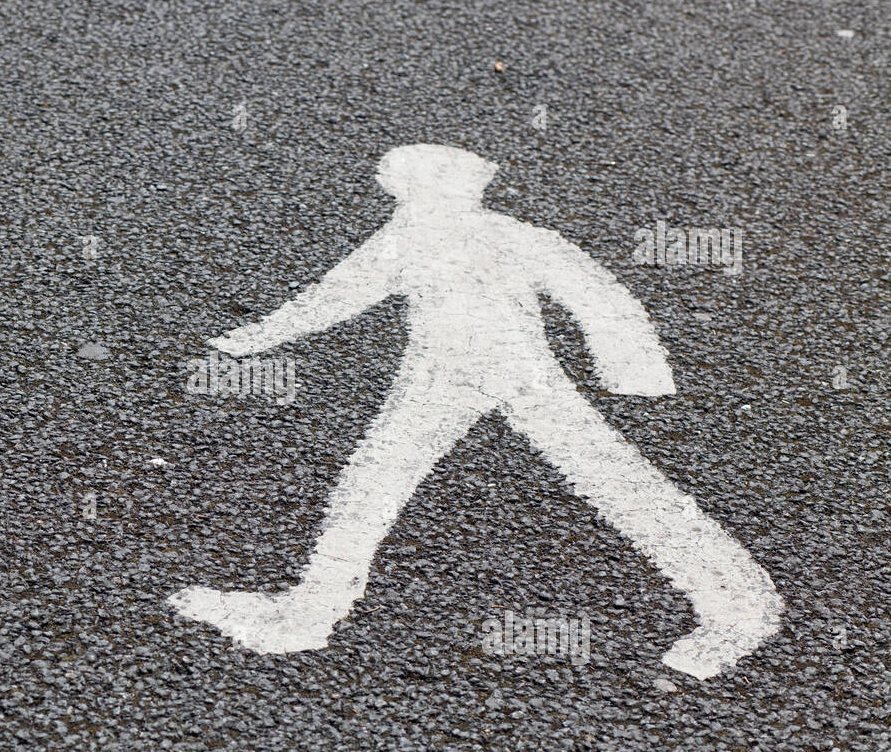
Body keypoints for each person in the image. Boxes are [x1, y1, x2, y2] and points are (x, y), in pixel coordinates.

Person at [170, 145, 781, 679]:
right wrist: (250, 341)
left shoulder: (471, 234)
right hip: (446, 380)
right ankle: (308, 612)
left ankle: (735, 611)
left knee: (611, 483)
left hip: (513, 377)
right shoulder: (432, 235)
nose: (413, 191)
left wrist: (636, 374)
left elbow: (593, 294)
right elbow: (338, 296)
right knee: (376, 482)